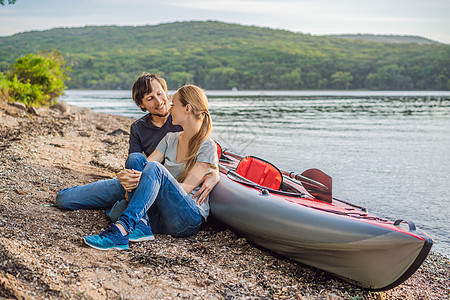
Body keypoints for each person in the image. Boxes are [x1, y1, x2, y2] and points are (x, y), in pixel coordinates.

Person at [56, 73, 219, 221]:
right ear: (142, 105)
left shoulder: (182, 120)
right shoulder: (139, 128)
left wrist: (215, 173)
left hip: (169, 193)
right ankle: (129, 207)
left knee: (121, 208)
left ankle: (128, 212)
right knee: (64, 199)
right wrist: (125, 177)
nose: (159, 101)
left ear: (166, 91)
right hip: (139, 182)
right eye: (150, 98)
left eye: (160, 93)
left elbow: (205, 146)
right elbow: (135, 165)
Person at [84, 84, 218, 250]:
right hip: (161, 216)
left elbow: (185, 188)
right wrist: (127, 175)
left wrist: (147, 177)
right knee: (135, 158)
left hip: (186, 219)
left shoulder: (207, 146)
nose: (169, 108)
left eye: (174, 104)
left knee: (154, 169)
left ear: (187, 109)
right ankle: (141, 224)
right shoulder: (170, 138)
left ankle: (122, 230)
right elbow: (143, 166)